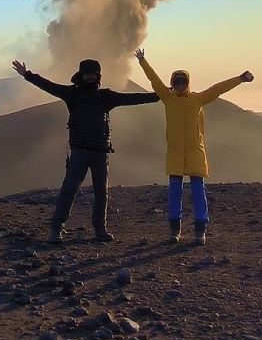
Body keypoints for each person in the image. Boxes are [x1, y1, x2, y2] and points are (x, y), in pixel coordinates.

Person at [12, 57, 159, 244]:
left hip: (99, 152)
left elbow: (134, 99)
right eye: (88, 74)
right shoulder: (72, 93)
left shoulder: (105, 96)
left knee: (100, 192)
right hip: (81, 151)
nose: (90, 77)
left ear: (98, 76)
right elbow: (48, 86)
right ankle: (57, 229)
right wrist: (27, 75)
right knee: (70, 189)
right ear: (81, 75)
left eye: (93, 74)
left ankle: (99, 230)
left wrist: (160, 95)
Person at [134, 48, 253, 245]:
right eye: (177, 81)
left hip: (195, 152)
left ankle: (200, 231)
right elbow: (154, 80)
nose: (180, 85)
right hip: (175, 153)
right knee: (175, 193)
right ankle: (175, 231)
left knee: (198, 192)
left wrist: (240, 78)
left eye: (183, 81)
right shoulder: (167, 97)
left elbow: (218, 88)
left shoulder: (198, 99)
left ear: (188, 83)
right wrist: (142, 60)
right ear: (172, 83)